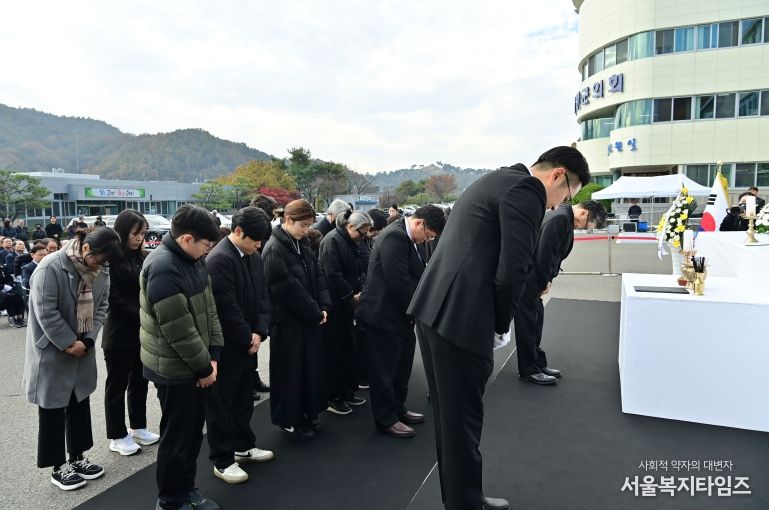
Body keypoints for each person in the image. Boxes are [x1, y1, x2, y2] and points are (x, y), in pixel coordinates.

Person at [407, 146, 590, 510]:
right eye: (567, 194)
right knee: (463, 421)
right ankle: (466, 503)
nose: (559, 205)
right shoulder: (528, 189)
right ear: (557, 175)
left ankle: (459, 499)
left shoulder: (496, 178)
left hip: (435, 309)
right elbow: (514, 269)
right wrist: (501, 323)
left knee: (449, 419)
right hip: (463, 317)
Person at [22, 226, 121, 490]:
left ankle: (77, 456)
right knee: (53, 408)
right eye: (99, 259)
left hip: (82, 347)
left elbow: (102, 306)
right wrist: (69, 343)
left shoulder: (102, 269)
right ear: (86, 247)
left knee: (79, 402)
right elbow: (45, 311)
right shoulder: (50, 267)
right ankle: (58, 467)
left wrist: (87, 340)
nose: (100, 265)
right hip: (53, 349)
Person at [139, 204, 223, 510]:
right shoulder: (163, 267)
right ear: (187, 239)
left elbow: (210, 308)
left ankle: (187, 488)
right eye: (206, 244)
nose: (208, 250)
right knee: (176, 438)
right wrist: (204, 368)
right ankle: (171, 500)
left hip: (197, 364)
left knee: (192, 434)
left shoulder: (194, 260)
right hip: (173, 370)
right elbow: (178, 331)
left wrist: (214, 354)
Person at [358, 205, 445, 438]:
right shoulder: (393, 237)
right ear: (419, 223)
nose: (427, 240)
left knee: (402, 367)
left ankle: (398, 408)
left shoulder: (409, 238)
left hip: (402, 316)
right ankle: (386, 419)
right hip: (384, 316)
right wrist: (419, 311)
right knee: (384, 371)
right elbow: (398, 283)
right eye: (428, 235)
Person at [206, 207, 274, 484]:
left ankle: (243, 445)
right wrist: (248, 337)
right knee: (222, 403)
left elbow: (263, 296)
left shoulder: (254, 257)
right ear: (238, 231)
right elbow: (225, 308)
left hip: (249, 342)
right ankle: (222, 460)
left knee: (244, 398)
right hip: (227, 345)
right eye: (255, 239)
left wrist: (259, 331)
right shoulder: (219, 259)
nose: (259, 245)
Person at [515, 200, 606, 386]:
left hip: (533, 277)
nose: (582, 229)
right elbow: (545, 254)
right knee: (528, 324)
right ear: (583, 213)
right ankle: (529, 370)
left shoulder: (563, 217)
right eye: (585, 226)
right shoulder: (560, 219)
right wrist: (544, 282)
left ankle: (537, 364)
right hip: (530, 278)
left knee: (535, 322)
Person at [262, 199, 331, 440]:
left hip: (308, 319)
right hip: (286, 322)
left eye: (308, 225)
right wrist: (315, 311)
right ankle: (289, 419)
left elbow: (318, 274)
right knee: (289, 373)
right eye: (303, 225)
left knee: (308, 370)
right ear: (288, 220)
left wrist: (323, 305)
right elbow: (286, 289)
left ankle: (307, 413)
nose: (306, 230)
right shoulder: (274, 248)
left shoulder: (301, 242)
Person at [103, 210, 160, 457]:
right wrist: (145, 315)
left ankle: (138, 426)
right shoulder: (110, 260)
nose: (139, 238)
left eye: (143, 233)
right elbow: (113, 300)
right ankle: (117, 435)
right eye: (135, 233)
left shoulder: (143, 257)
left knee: (140, 381)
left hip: (141, 331)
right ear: (123, 231)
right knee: (117, 385)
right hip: (119, 332)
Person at [319, 210, 373, 416]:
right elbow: (332, 274)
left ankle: (346, 390)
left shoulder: (351, 242)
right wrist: (352, 295)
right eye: (362, 232)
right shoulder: (332, 240)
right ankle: (333, 396)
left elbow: (357, 269)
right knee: (334, 352)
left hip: (348, 304)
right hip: (335, 305)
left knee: (348, 350)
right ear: (350, 226)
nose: (363, 237)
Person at [354, 208, 389, 389]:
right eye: (374, 230)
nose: (374, 234)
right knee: (362, 339)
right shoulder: (357, 242)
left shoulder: (366, 241)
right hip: (358, 295)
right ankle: (361, 376)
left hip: (363, 292)